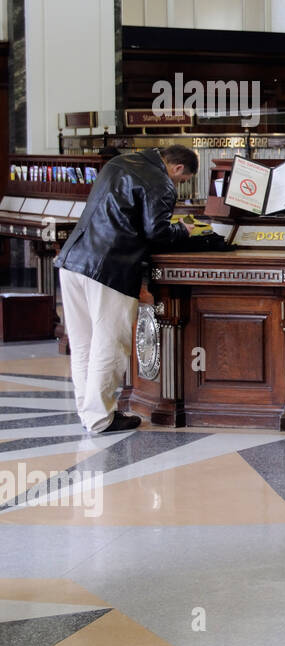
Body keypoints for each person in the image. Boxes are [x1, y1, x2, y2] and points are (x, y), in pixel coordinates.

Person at [54, 146, 198, 433]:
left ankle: (90, 413)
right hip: (110, 268)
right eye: (182, 180)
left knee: (83, 344)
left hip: (73, 260)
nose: (178, 185)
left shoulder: (118, 162)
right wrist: (183, 230)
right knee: (109, 343)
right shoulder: (159, 181)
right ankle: (100, 418)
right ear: (178, 168)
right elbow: (156, 232)